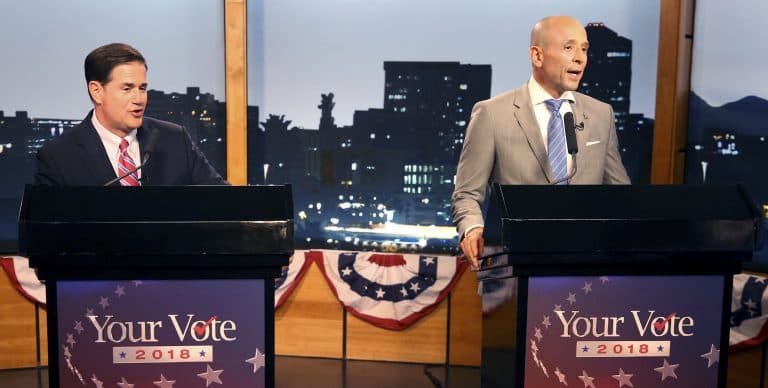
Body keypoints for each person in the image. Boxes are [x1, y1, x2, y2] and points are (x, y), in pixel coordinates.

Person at [451, 16, 630, 269]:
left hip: (587, 265)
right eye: (569, 48)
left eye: (584, 49)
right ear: (537, 56)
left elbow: (619, 194)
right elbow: (467, 193)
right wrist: (472, 228)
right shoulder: (492, 114)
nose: (580, 57)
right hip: (516, 266)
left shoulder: (601, 115)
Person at [34, 43, 226, 186]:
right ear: (97, 91)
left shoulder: (175, 140)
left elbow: (224, 202)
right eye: (127, 88)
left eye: (142, 88)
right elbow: (47, 234)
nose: (139, 99)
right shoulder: (58, 156)